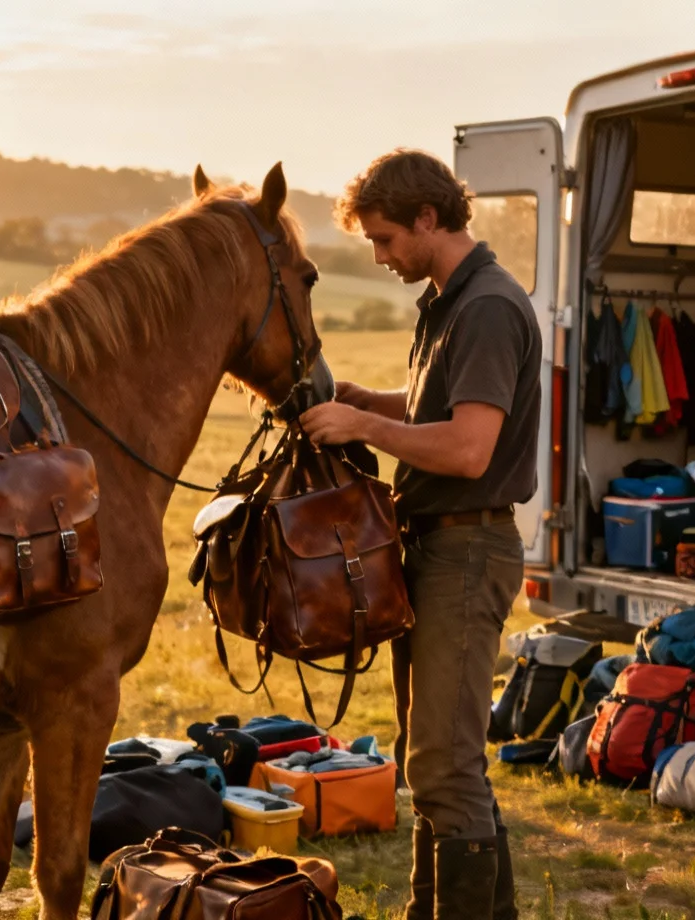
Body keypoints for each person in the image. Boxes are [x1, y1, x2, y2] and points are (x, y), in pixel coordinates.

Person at [299, 148, 541, 920]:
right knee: (434, 759)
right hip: (436, 547)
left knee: (442, 765)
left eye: (386, 239)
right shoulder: (449, 300)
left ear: (428, 219)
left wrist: (363, 423)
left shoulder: (489, 307)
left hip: (467, 551)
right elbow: (446, 406)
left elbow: (470, 448)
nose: (379, 257)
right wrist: (376, 400)